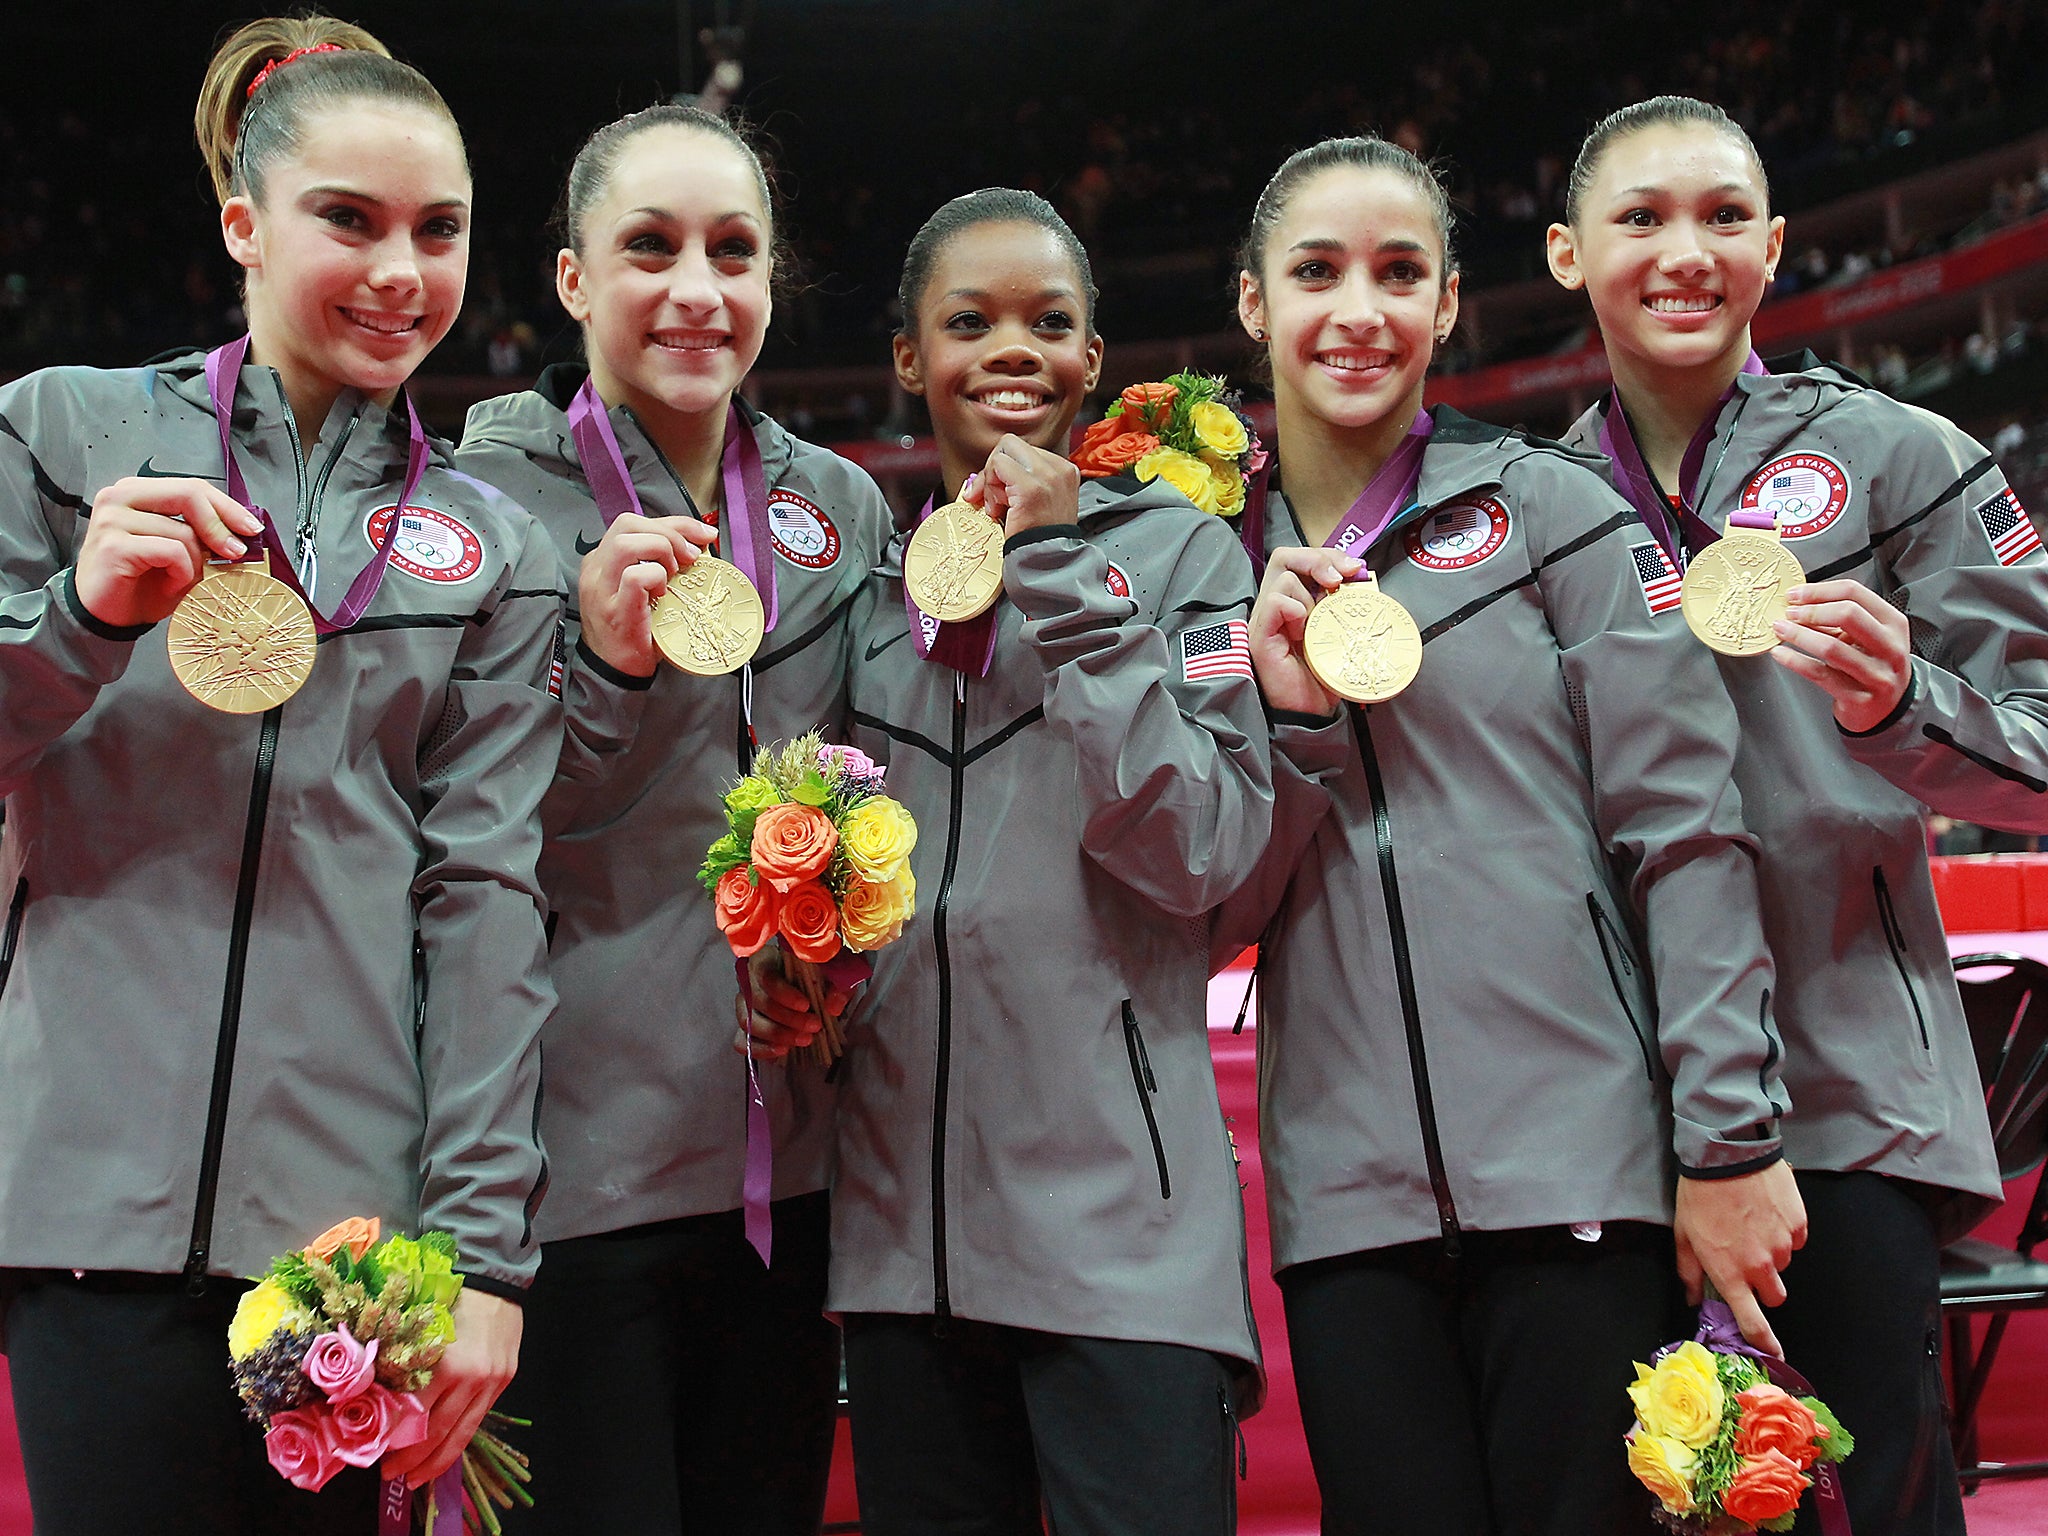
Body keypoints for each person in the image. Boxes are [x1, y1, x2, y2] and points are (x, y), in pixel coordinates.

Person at [0, 16, 559, 1534]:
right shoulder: (61, 435)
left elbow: (488, 903)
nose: (402, 272)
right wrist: (81, 620)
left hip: (350, 1251)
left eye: (438, 230)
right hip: (81, 1210)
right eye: (349, 219)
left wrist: (488, 1259)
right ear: (243, 222)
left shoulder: (496, 546)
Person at [1216, 135, 1801, 1536]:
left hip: (1579, 1174)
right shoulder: (1201, 563)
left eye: (1398, 272)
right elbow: (1206, 900)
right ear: (1252, 304)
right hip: (1347, 1210)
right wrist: (1284, 721)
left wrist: (1723, 1142)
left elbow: (1688, 834)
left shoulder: (1553, 513)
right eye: (1316, 272)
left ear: (1449, 302)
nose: (1359, 309)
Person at [1549, 95, 2026, 1536]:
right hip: (1607, 1125)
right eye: (1640, 219)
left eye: (1719, 216)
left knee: (1869, 1500)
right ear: (1571, 257)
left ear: (1773, 244)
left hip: (1845, 1097)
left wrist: (1907, 706)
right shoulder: (1536, 511)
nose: (1682, 252)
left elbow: (2041, 753)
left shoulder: (1901, 458)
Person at [456, 102, 892, 1535]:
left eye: (733, 251)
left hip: (789, 1166)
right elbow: (467, 844)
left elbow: (860, 803)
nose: (697, 289)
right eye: (650, 248)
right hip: (567, 1184)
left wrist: (829, 960)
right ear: (574, 279)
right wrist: (602, 665)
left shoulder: (838, 508)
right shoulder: (480, 511)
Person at [821, 188, 1272, 1536]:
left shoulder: (1191, 560)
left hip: (1123, 1257)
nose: (1009, 348)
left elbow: (1201, 850)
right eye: (969, 322)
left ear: (1091, 360)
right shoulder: (876, 590)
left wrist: (1064, 566)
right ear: (910, 357)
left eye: (1048, 323)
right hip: (907, 1265)